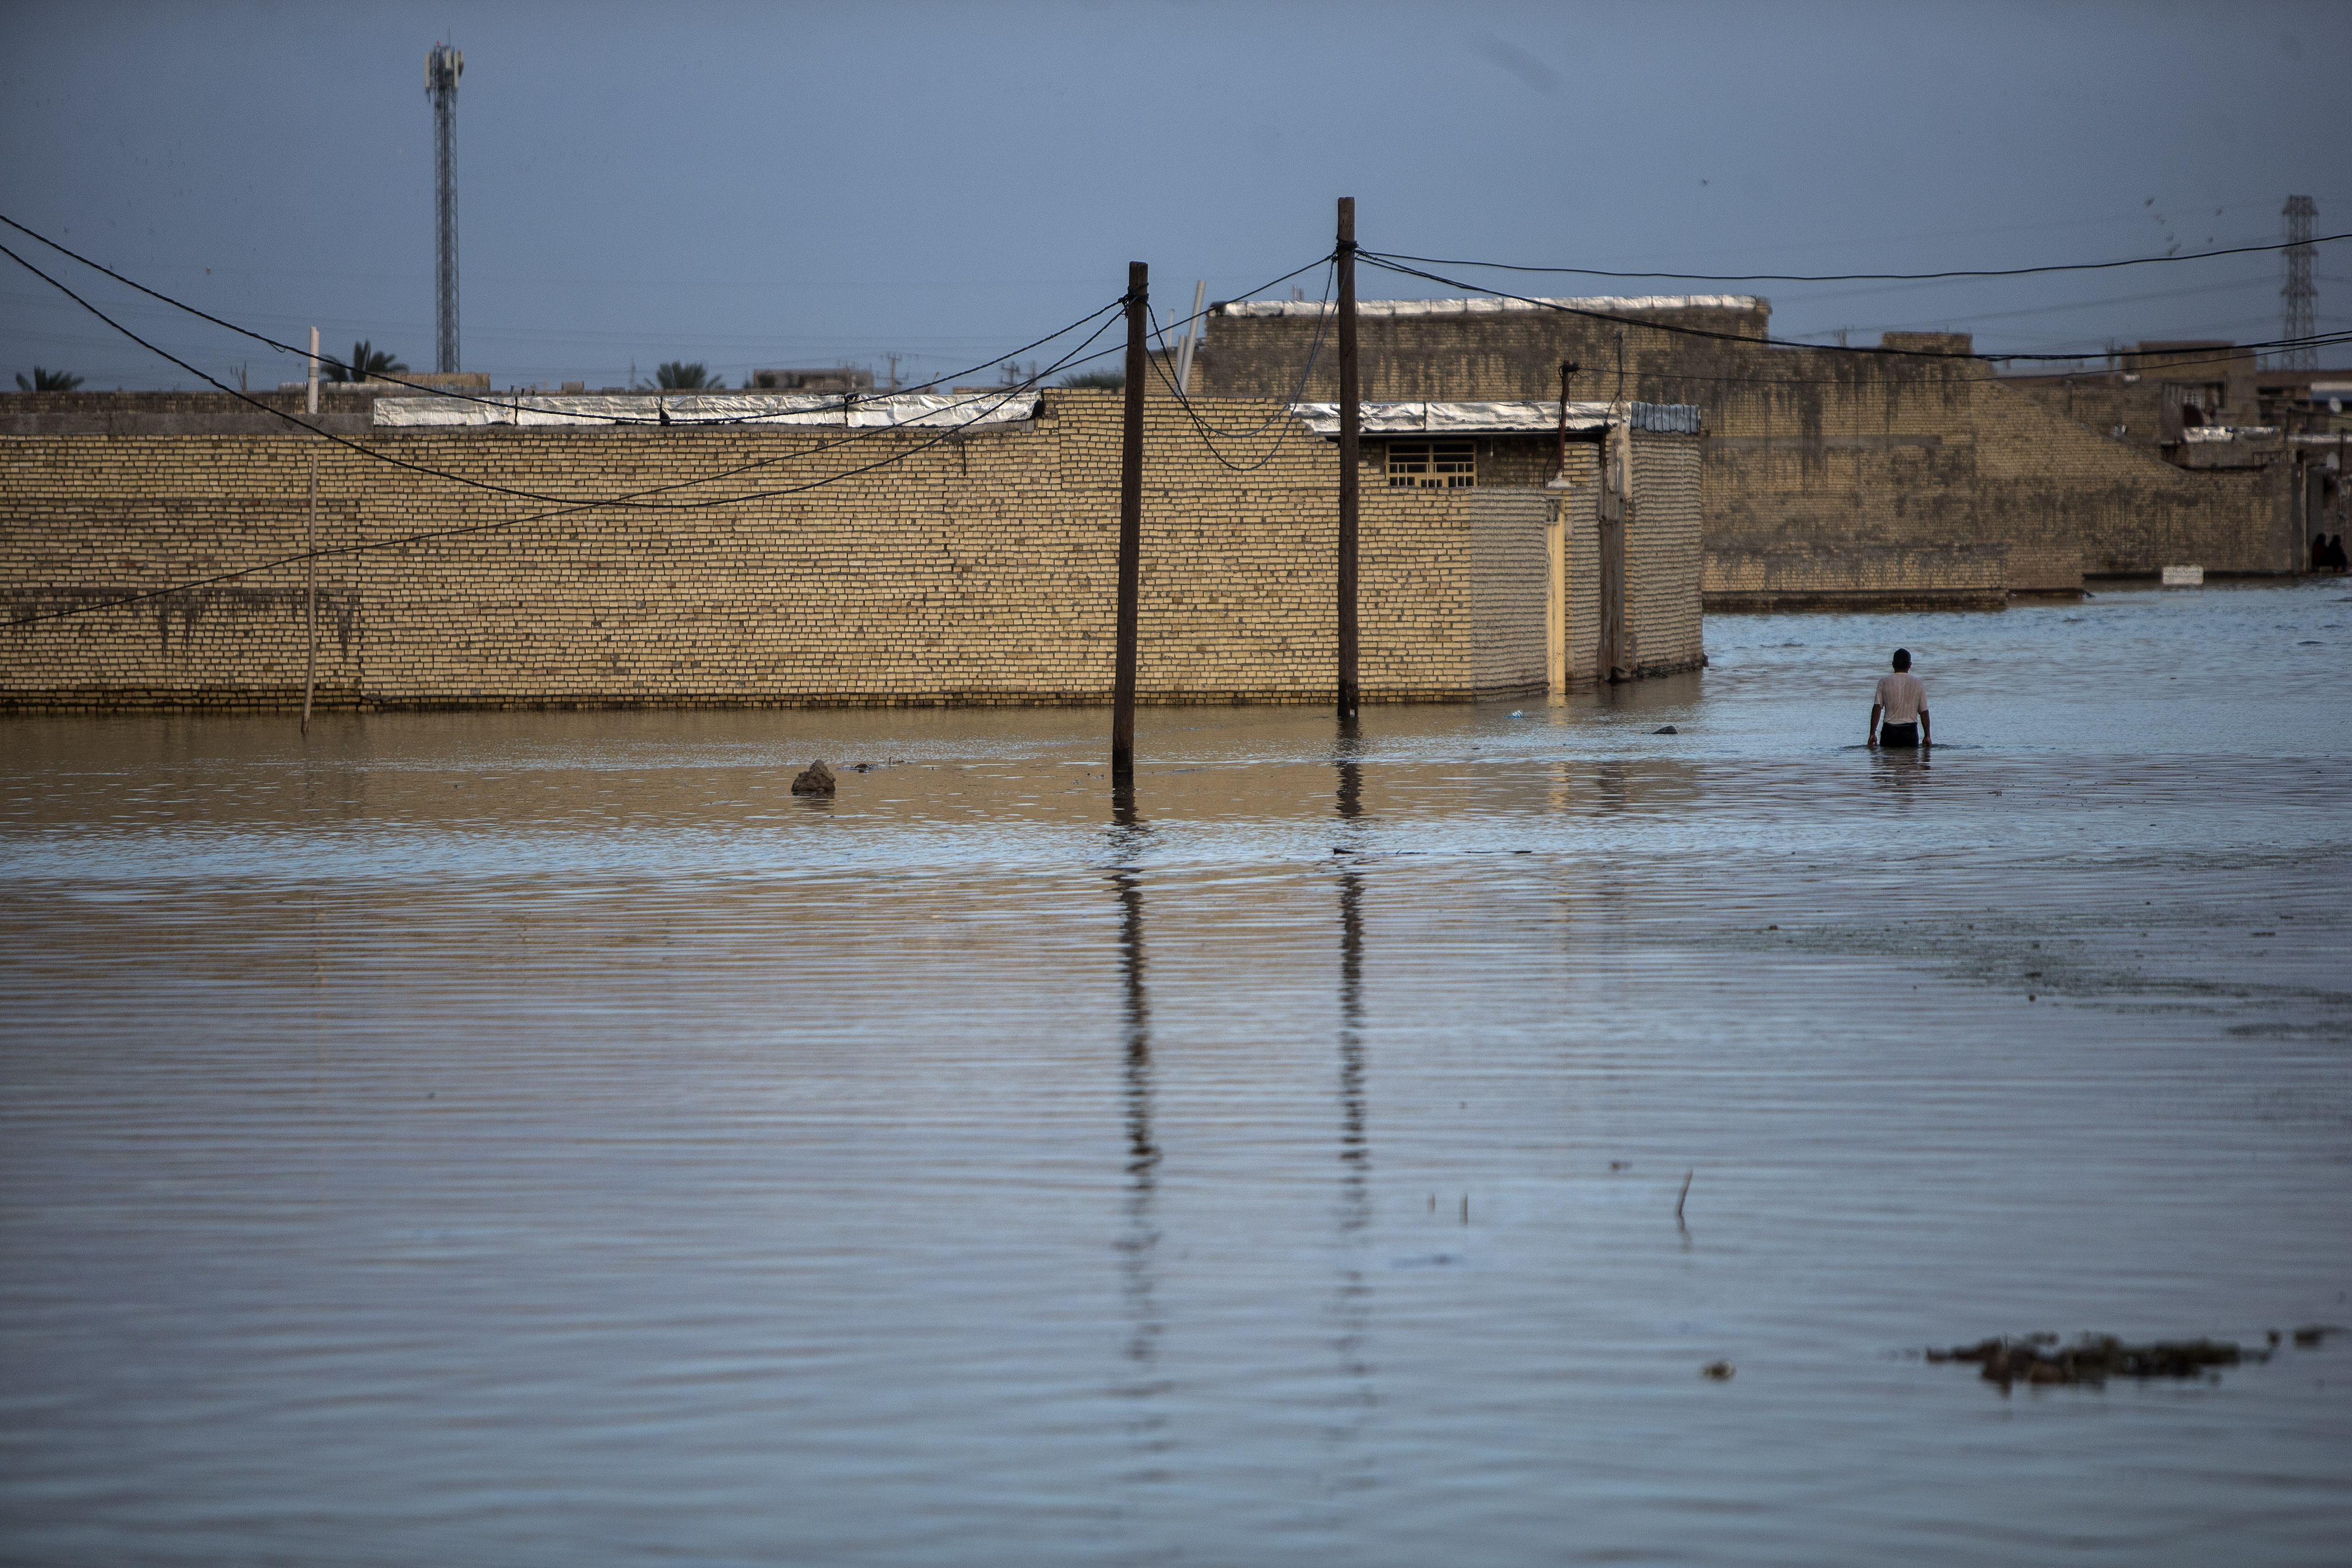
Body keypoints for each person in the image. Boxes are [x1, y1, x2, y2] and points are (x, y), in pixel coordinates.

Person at [1870, 648, 1930, 748]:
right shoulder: (1918, 683)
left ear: (1893, 664)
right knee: (1911, 763)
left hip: (1889, 731)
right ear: (1910, 665)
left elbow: (1877, 708)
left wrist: (1872, 733)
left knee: (1889, 761)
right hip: (1910, 732)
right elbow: (1924, 712)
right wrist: (1927, 735)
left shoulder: (1884, 682)